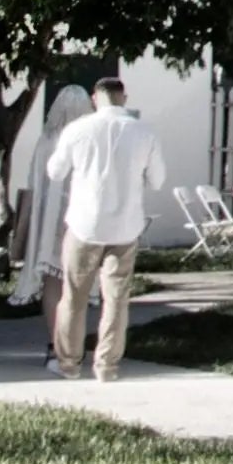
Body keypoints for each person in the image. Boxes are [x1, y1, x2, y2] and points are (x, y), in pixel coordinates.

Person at [40, 74, 167, 381]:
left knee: (73, 296)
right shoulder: (144, 132)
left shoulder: (78, 129)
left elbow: (55, 172)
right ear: (124, 97)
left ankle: (69, 363)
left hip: (85, 223)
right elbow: (158, 180)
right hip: (125, 225)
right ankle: (107, 366)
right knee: (116, 298)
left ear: (95, 99)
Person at [11, 80, 92, 339]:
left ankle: (55, 341)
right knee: (77, 281)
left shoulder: (45, 141)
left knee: (51, 281)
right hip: (78, 219)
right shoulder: (88, 141)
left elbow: (35, 182)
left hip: (47, 220)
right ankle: (72, 341)